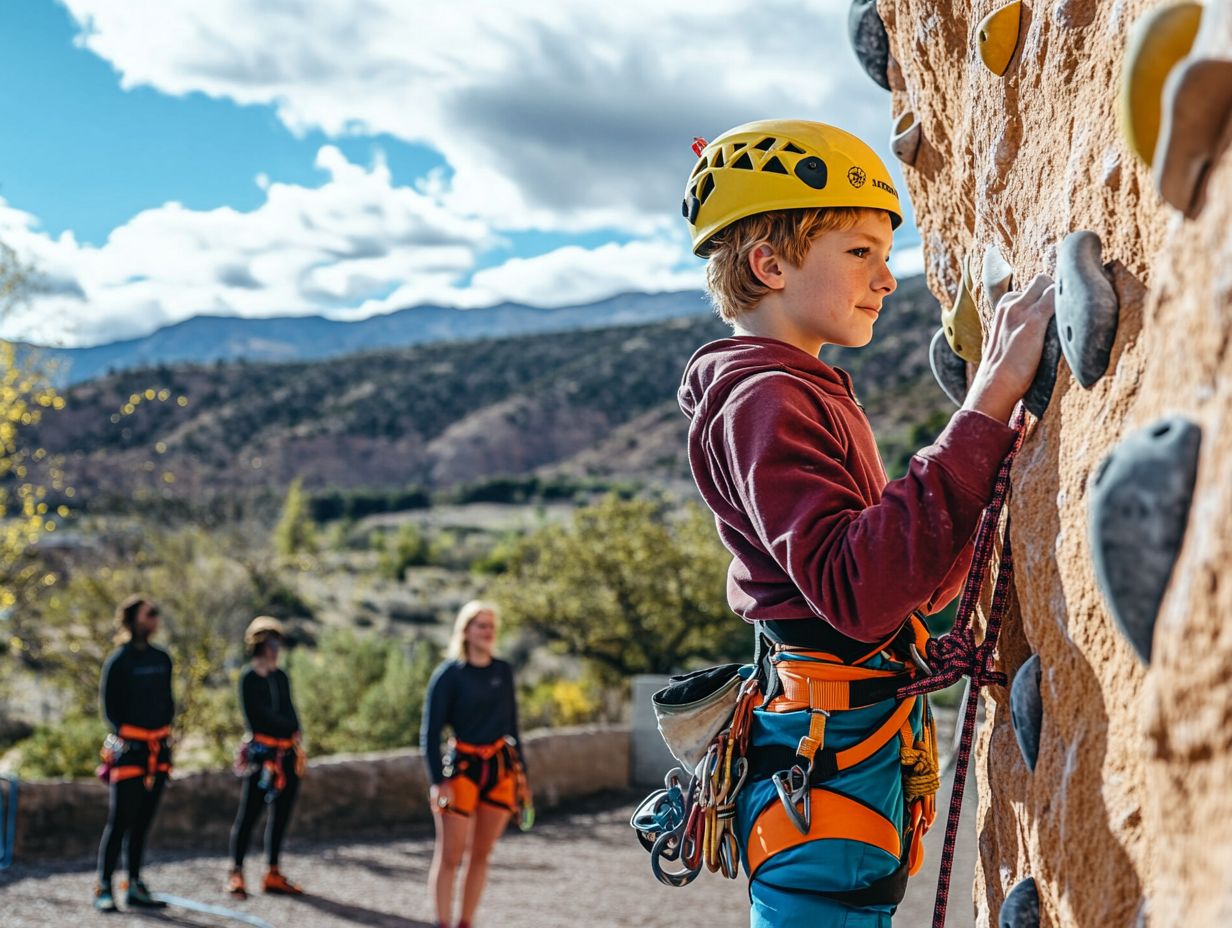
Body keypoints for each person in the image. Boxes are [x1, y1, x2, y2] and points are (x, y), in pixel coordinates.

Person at [676, 119, 1055, 927]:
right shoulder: (764, 399)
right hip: (830, 764)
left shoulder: (792, 387)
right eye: (859, 251)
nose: (887, 279)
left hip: (841, 747)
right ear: (769, 264)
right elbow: (862, 589)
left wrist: (985, 453)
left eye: (886, 253)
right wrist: (984, 406)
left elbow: (902, 582)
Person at [421, 601, 530, 928]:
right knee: (450, 855)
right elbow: (430, 732)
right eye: (480, 625)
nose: (487, 631)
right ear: (465, 630)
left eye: (491, 626)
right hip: (461, 773)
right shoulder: (449, 675)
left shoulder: (503, 671)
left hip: (499, 771)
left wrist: (523, 778)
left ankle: (466, 922)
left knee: (481, 856)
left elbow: (513, 727)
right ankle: (442, 921)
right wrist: (437, 781)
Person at [94, 595, 174, 912]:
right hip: (129, 752)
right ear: (133, 620)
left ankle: (135, 885)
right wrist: (131, 738)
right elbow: (110, 710)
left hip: (158, 752)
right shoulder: (119, 661)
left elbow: (168, 702)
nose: (155, 619)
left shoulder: (162, 658)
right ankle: (103, 886)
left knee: (142, 822)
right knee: (120, 821)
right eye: (149, 613)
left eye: (156, 613)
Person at [227, 616, 306, 898]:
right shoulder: (249, 678)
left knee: (281, 814)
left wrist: (290, 729)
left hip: (287, 756)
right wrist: (284, 727)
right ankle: (236, 871)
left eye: (278, 642)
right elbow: (259, 719)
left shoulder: (280, 677)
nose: (276, 648)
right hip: (262, 758)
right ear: (259, 645)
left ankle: (273, 871)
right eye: (271, 643)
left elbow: (291, 716)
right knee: (249, 814)